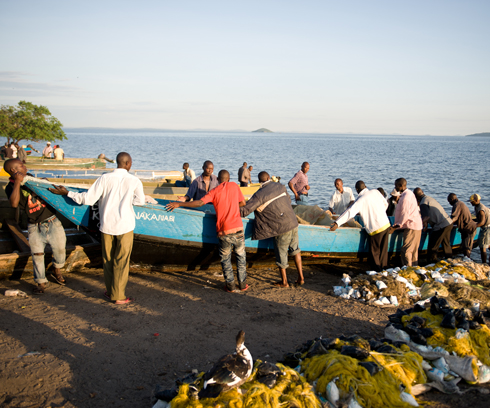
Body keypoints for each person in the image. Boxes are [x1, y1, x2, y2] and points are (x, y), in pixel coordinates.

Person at [49, 152, 145, 304]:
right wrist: (126, 199)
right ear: (128, 163)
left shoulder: (104, 178)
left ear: (118, 163)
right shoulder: (134, 181)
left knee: (107, 259)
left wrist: (68, 193)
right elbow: (140, 201)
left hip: (107, 225)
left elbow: (88, 199)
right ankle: (118, 296)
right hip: (125, 225)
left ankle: (110, 291)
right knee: (122, 260)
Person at [167, 170, 248, 292]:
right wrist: (232, 206)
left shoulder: (214, 191)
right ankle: (243, 285)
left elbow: (200, 202)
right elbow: (242, 203)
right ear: (229, 178)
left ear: (218, 180)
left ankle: (230, 286)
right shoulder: (234, 186)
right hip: (238, 228)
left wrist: (179, 204)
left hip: (224, 230)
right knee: (241, 257)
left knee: (226, 259)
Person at [3, 159, 67, 294]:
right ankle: (41, 282)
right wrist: (17, 183)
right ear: (14, 171)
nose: (25, 167)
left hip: (52, 221)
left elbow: (45, 186)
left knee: (60, 249)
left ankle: (57, 269)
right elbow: (14, 204)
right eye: (21, 166)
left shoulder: (30, 178)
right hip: (34, 226)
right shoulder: (10, 187)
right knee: (37, 254)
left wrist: (45, 181)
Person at [240, 171, 304, 288]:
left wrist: (233, 207)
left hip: (280, 227)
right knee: (295, 250)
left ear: (259, 181)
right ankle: (301, 277)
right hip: (293, 222)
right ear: (269, 178)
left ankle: (284, 282)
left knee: (281, 254)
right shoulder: (281, 186)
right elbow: (288, 201)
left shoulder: (258, 195)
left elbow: (245, 211)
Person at [330, 181, 391, 272]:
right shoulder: (375, 192)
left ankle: (377, 271)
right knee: (383, 250)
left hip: (375, 228)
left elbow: (349, 213)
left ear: (357, 190)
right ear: (365, 186)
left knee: (375, 252)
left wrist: (337, 223)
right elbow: (385, 204)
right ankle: (384, 269)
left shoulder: (360, 200)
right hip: (386, 224)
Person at [413, 188, 453, 262]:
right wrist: (426, 223)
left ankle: (432, 262)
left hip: (440, 225)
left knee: (433, 246)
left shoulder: (423, 203)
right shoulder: (429, 198)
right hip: (448, 222)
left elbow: (426, 216)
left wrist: (418, 224)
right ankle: (449, 260)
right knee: (446, 244)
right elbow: (429, 213)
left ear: (416, 197)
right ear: (422, 192)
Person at [389, 178, 423, 266]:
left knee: (406, 250)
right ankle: (414, 267)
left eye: (396, 186)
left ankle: (407, 267)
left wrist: (396, 227)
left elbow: (405, 214)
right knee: (414, 250)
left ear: (401, 186)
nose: (395, 187)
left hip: (412, 226)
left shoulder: (406, 198)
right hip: (416, 225)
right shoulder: (409, 194)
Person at [448, 193, 477, 258]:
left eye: (449, 201)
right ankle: (466, 258)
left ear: (452, 199)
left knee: (467, 247)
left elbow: (454, 218)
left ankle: (467, 260)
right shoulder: (460, 203)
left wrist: (446, 224)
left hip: (468, 228)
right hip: (466, 228)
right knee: (465, 246)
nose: (449, 203)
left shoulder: (457, 204)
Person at [469, 194, 490, 264]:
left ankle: (484, 263)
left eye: (472, 201)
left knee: (482, 246)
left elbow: (482, 222)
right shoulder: (477, 207)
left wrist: (473, 226)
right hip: (488, 227)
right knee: (488, 244)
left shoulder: (481, 209)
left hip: (486, 228)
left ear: (476, 200)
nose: (471, 203)